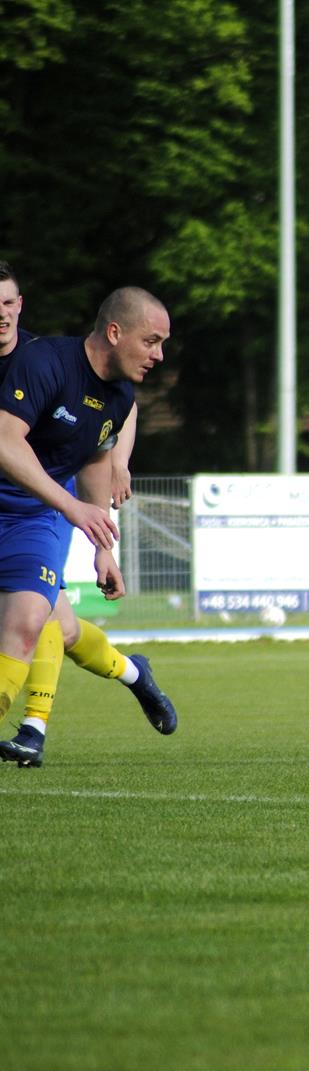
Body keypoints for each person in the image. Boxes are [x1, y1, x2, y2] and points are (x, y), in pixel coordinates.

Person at [0, 269, 172, 768]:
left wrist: (101, 544)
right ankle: (134, 674)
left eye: (10, 302)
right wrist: (74, 505)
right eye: (152, 341)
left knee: (31, 620)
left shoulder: (118, 394)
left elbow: (97, 456)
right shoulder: (44, 361)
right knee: (64, 628)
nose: (159, 355)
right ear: (116, 332)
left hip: (38, 511)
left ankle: (32, 730)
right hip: (55, 502)